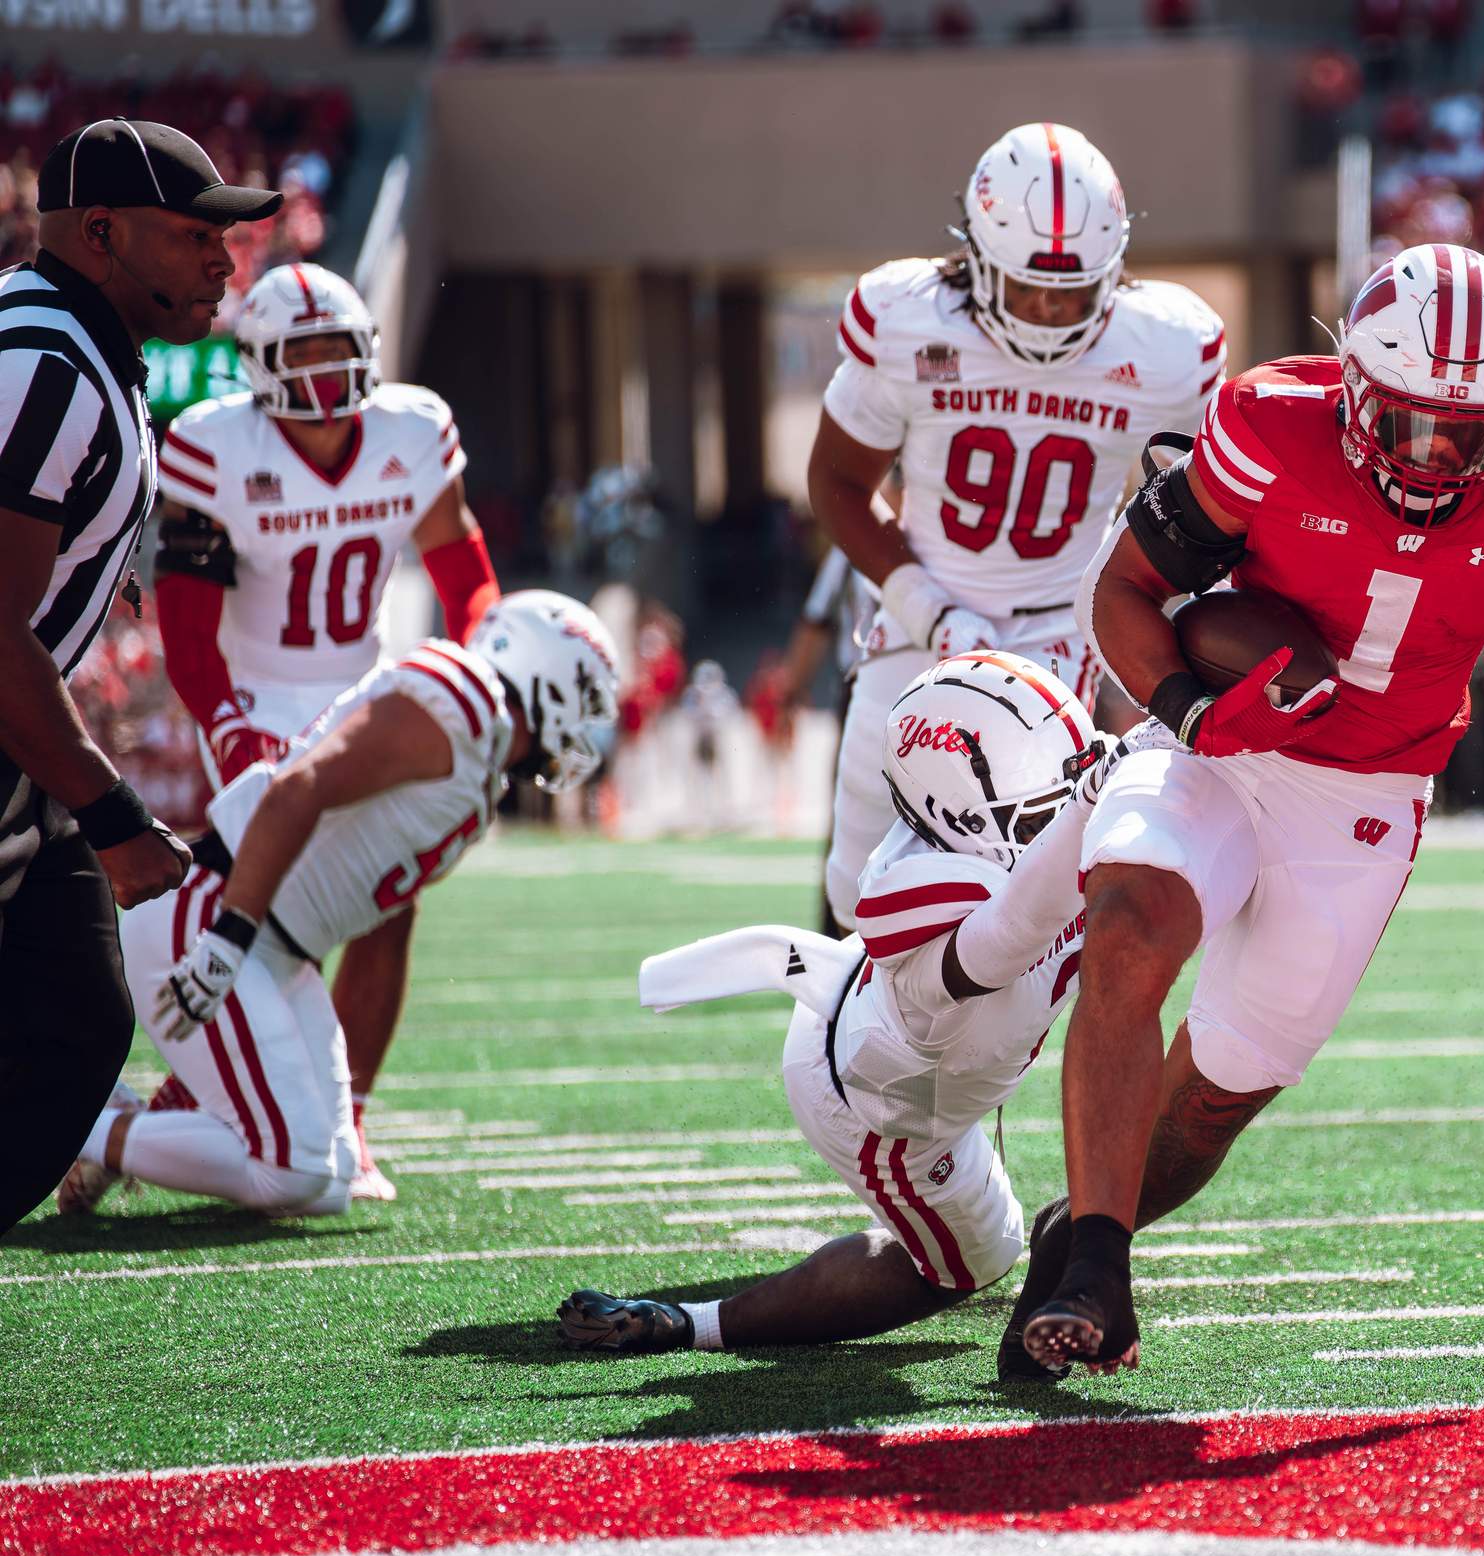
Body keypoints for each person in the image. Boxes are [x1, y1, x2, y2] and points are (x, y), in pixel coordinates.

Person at [1012, 243, 1484, 1375]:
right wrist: (1181, 707)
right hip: (1228, 739)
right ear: (1355, 389)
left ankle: (1071, 1236)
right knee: (1129, 930)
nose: (1436, 454)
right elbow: (1124, 586)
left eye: (1467, 431)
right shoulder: (1270, 426)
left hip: (1368, 790)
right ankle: (1100, 1278)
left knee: (1221, 1093)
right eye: (1410, 421)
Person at [556, 651, 1118, 1353]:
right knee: (974, 1263)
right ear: (959, 815)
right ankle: (690, 1327)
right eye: (1045, 814)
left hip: (889, 1034)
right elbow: (1010, 933)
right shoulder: (922, 897)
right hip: (881, 1105)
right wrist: (1099, 798)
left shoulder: (984, 836)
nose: (1070, 816)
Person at [56, 592, 619, 1219]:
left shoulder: (483, 756)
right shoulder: (461, 704)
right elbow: (302, 786)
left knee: (330, 1181)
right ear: (546, 669)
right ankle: (76, 1129)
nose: (585, 726)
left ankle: (113, 1128)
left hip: (275, 948)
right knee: (292, 1172)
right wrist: (225, 944)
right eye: (585, 697)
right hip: (218, 913)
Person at [804, 122, 1226, 931]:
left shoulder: (1169, 346)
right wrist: (931, 607)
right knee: (857, 886)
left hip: (1054, 633)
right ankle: (851, 1050)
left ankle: (981, 1057)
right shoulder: (910, 316)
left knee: (1021, 899)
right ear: (975, 258)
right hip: (918, 620)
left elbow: (1205, 513)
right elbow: (836, 482)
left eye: (1070, 289)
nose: (1046, 307)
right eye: (1025, 284)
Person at [151, 262, 498, 1192]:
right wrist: (227, 725)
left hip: (363, 687)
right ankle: (195, 1094)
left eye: (337, 352)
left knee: (390, 900)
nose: (322, 375)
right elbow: (185, 625)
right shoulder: (216, 445)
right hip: (258, 694)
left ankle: (352, 1120)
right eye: (300, 355)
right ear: (260, 366)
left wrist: (472, 677)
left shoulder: (410, 429)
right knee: (262, 917)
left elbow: (465, 580)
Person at [0, 120, 277, 1232]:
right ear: (103, 234)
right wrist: (109, 808)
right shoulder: (45, 363)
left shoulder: (74, 343)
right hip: (18, 742)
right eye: (194, 234)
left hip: (22, 755)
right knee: (68, 1024)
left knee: (73, 1020)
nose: (224, 260)